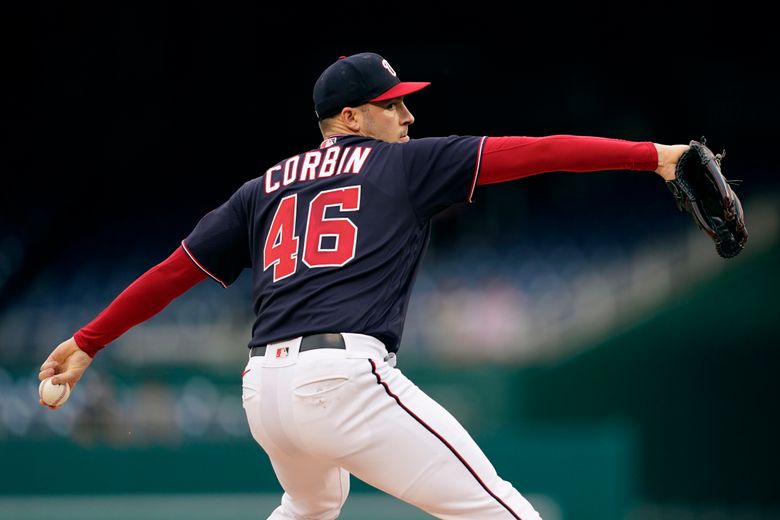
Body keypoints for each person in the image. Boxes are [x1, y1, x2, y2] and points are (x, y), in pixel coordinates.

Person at [38, 52, 689, 519]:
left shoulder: (261, 187)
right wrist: (653, 156)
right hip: (342, 379)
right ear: (350, 117)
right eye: (393, 104)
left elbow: (173, 272)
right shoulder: (407, 164)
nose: (407, 116)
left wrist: (89, 341)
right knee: (504, 513)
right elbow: (542, 151)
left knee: (313, 503)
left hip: (263, 391)